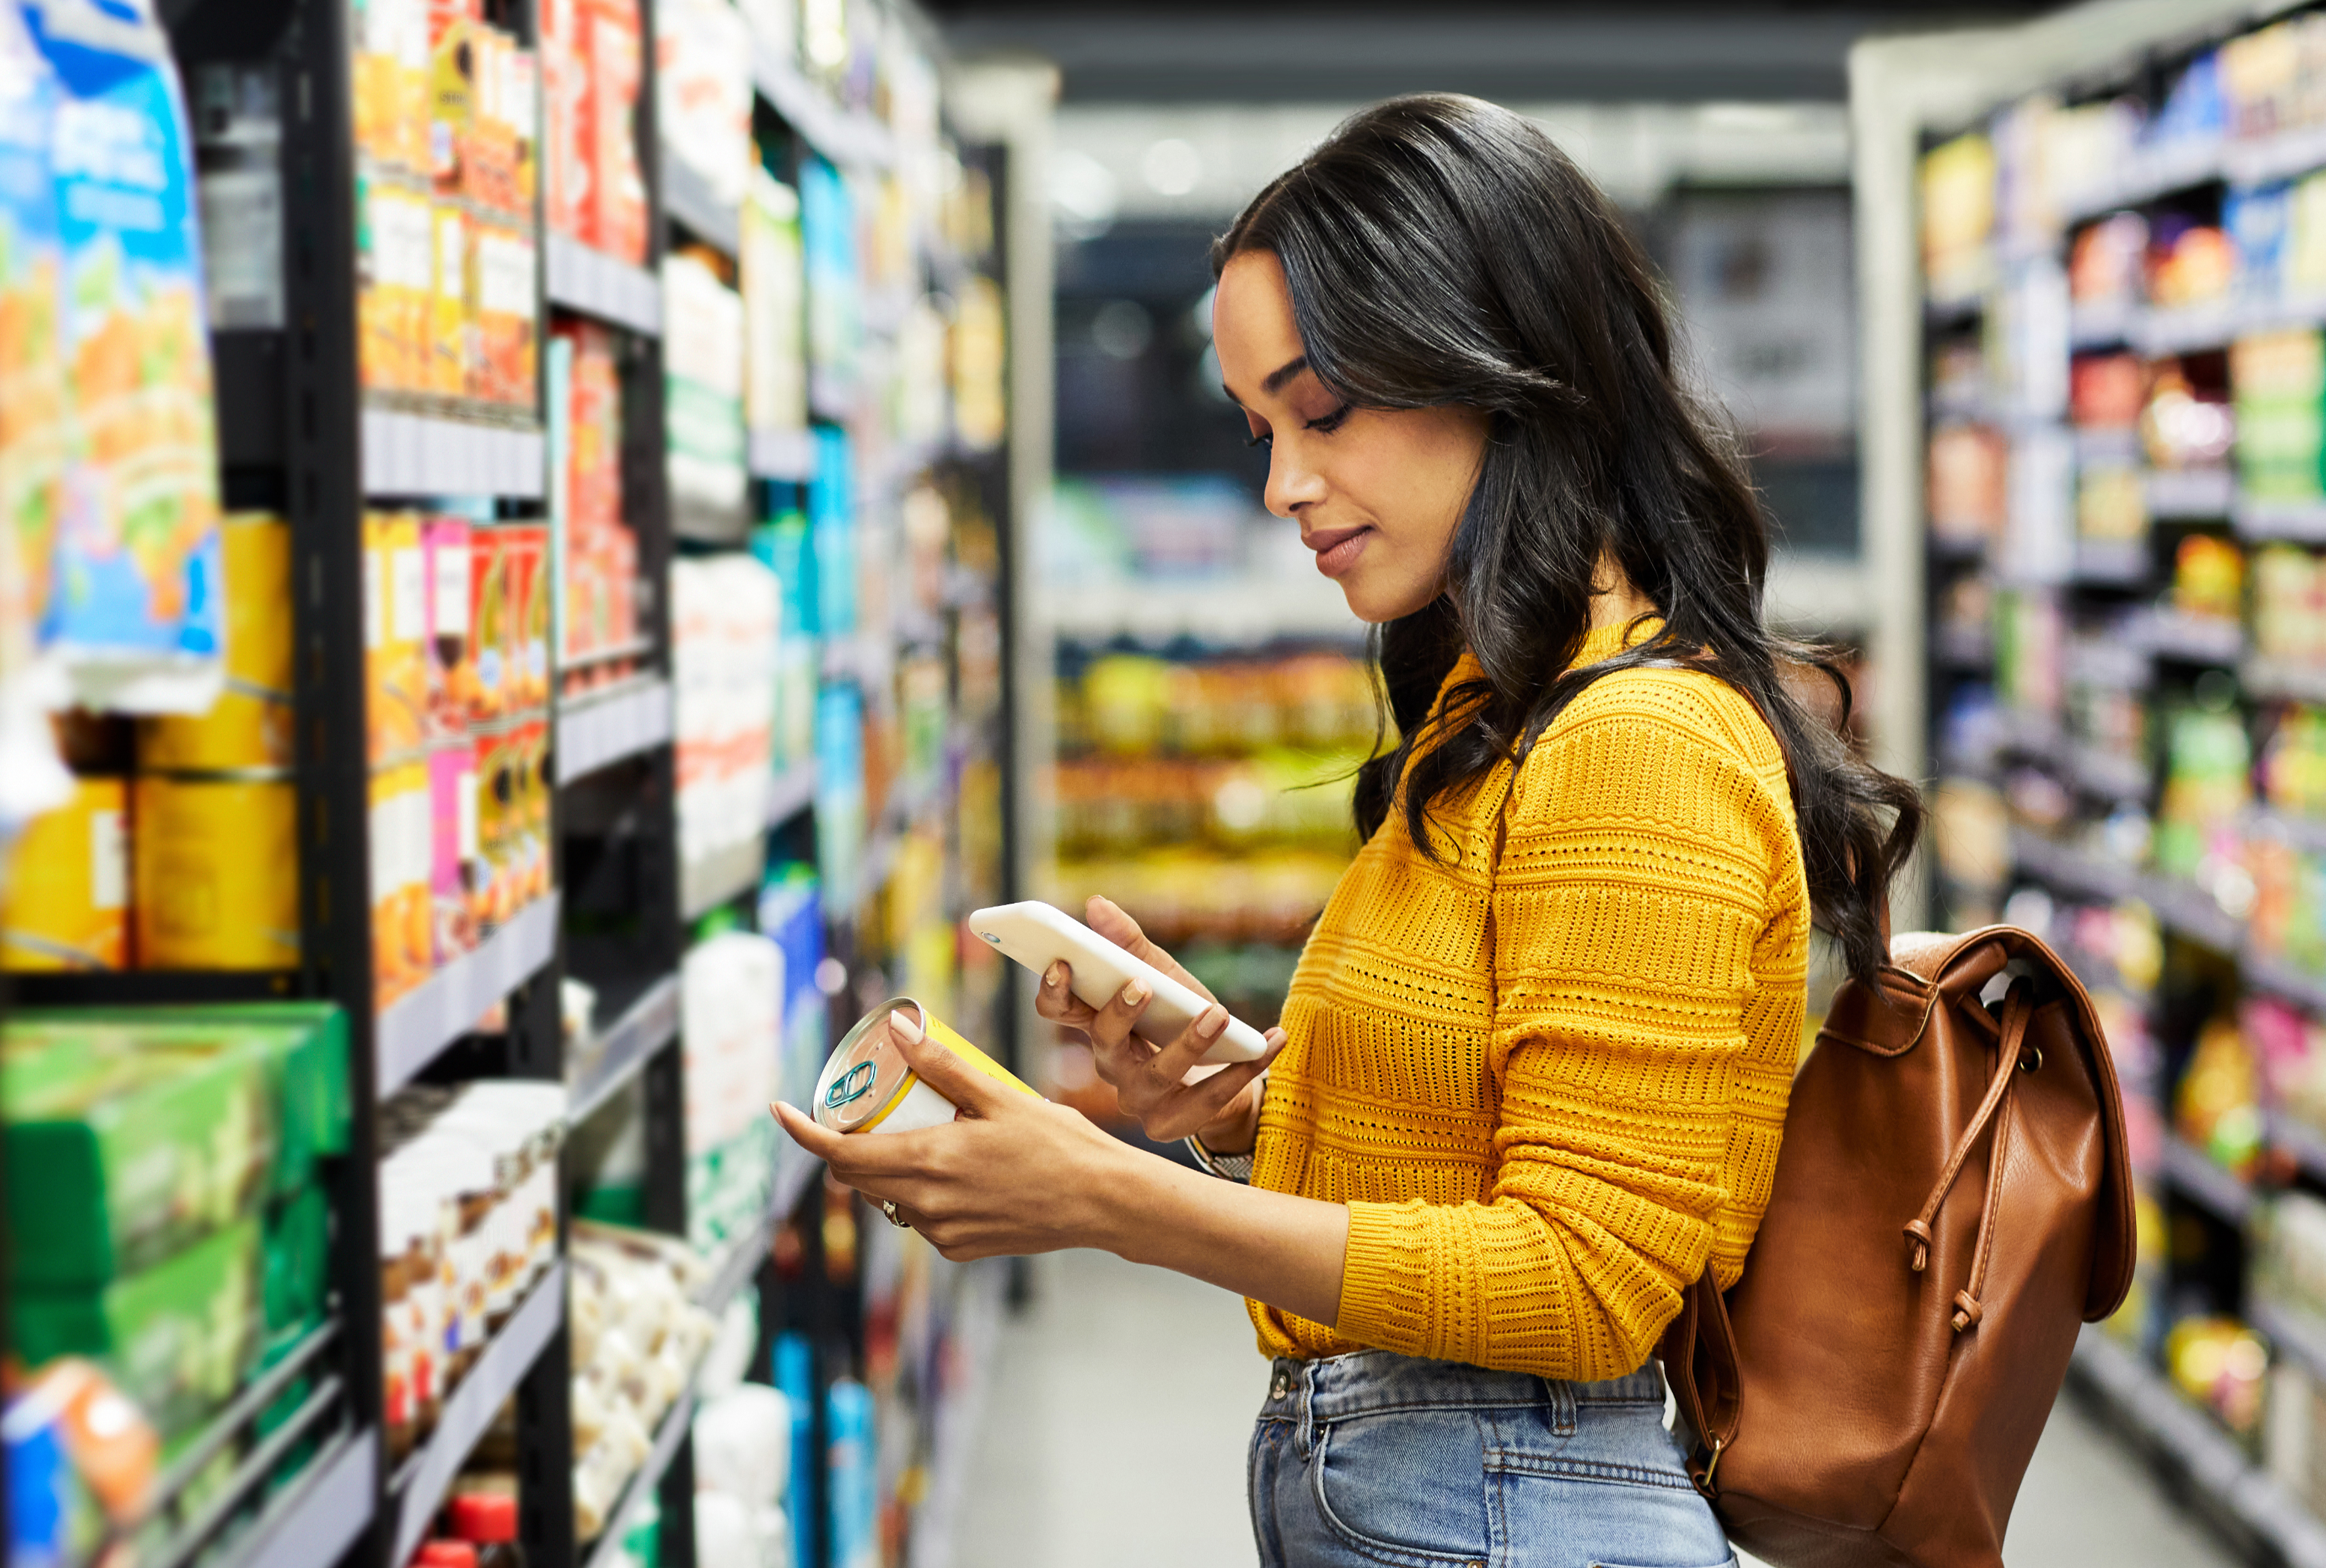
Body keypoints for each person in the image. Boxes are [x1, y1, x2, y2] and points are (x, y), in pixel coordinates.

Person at [769, 93, 1921, 1568]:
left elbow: (1581, 1283)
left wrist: (1113, 1200)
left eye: (1321, 411)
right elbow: (1485, 1145)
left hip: (1526, 1506)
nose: (1281, 486)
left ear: (1501, 366)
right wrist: (1241, 1095)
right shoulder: (1498, 711)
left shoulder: (1638, 739)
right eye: (1258, 428)